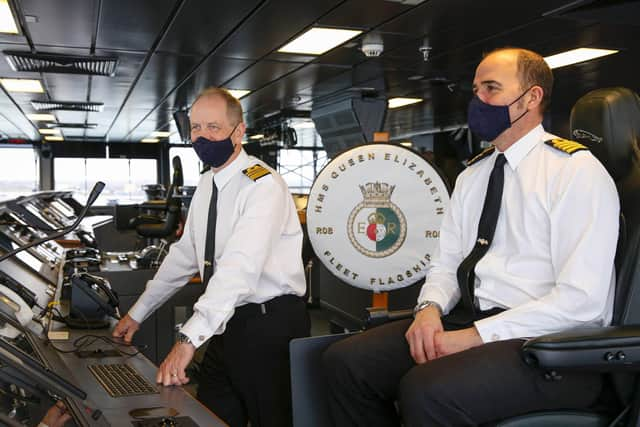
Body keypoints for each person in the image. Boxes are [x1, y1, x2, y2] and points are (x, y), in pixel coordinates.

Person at [322, 47, 619, 426]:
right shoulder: (472, 176)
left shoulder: (575, 173)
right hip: (473, 321)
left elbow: (583, 302)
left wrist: (477, 337)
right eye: (476, 90)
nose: (478, 100)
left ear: (532, 97)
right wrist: (429, 310)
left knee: (427, 389)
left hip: (551, 347)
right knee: (345, 363)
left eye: (491, 89)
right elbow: (446, 262)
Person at [113, 87, 310, 427]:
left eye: (213, 127)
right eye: (195, 128)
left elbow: (239, 268)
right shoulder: (207, 184)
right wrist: (138, 311)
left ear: (239, 131)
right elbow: (184, 256)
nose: (202, 137)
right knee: (209, 416)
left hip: (269, 324)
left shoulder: (262, 185)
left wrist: (188, 339)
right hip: (225, 321)